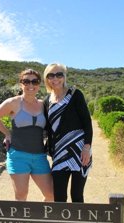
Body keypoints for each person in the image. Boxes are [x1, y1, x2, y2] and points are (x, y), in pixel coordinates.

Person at [0, 69, 53, 202]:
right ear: (21, 84)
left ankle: (41, 221)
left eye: (34, 81)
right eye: (26, 81)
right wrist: (7, 133)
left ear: (39, 84)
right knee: (21, 196)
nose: (30, 85)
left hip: (39, 157)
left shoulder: (43, 105)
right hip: (18, 156)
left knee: (51, 195)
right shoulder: (14, 102)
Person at [43, 63, 93, 203]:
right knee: (59, 197)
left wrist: (87, 148)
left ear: (65, 76)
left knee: (77, 195)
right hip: (59, 154)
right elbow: (47, 128)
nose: (55, 78)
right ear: (46, 79)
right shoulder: (47, 101)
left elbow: (87, 123)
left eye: (59, 74)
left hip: (79, 151)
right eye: (51, 75)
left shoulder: (75, 94)